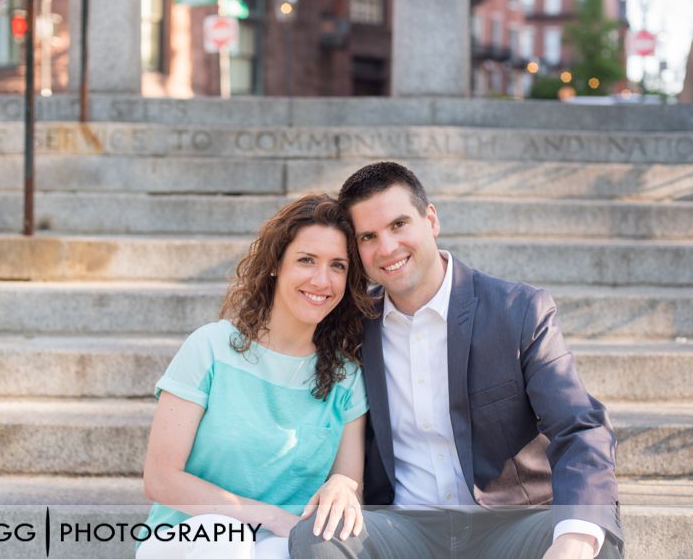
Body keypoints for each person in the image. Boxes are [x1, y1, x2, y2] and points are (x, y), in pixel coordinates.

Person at [289, 162, 624, 559]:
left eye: (399, 225)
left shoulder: (517, 311)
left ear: (431, 220)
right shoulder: (353, 327)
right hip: (404, 528)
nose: (387, 248)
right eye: (368, 236)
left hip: (513, 523)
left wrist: (573, 541)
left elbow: (580, 428)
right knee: (317, 537)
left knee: (591, 538)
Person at [137, 194, 376, 559]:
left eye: (338, 266)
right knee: (226, 542)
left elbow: (347, 487)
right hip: (193, 538)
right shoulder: (211, 348)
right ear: (276, 264)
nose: (321, 280)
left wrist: (343, 485)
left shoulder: (346, 377)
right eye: (306, 260)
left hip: (284, 542)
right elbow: (160, 479)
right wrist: (265, 516)